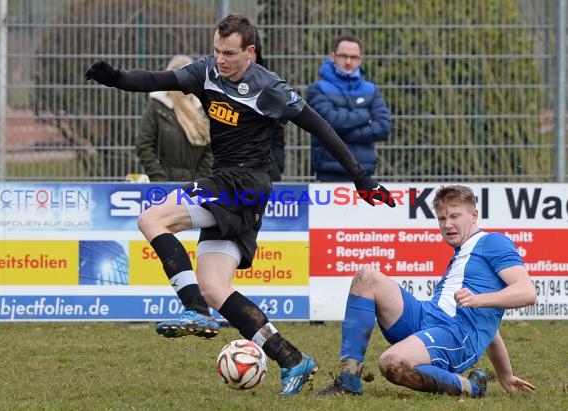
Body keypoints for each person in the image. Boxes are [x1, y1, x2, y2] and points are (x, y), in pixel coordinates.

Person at [85, 14, 395, 397]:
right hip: (233, 188)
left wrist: (361, 178)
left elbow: (321, 128)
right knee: (216, 288)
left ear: (250, 52)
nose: (220, 59)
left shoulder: (270, 88)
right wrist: (114, 77)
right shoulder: (206, 72)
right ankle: (293, 360)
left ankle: (195, 310)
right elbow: (154, 80)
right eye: (216, 50)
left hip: (242, 184)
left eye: (229, 53)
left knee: (151, 218)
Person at [318, 184, 537, 397]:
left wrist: (479, 300)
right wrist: (505, 374)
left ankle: (471, 387)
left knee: (391, 363)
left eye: (454, 216)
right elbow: (489, 327)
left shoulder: (493, 241)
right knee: (367, 278)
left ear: (474, 215)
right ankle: (349, 381)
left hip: (454, 335)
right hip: (427, 316)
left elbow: (527, 292)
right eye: (442, 218)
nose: (447, 224)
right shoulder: (462, 253)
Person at [307, 35, 391, 182]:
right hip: (328, 173)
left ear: (360, 59)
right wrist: (366, 117)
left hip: (364, 174)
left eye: (353, 57)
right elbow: (329, 123)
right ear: (333, 57)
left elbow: (383, 127)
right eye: (343, 56)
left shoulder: (371, 90)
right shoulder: (318, 89)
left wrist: (338, 133)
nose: (348, 62)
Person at [136, 55, 213, 182]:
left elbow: (212, 149)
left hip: (196, 186)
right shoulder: (158, 106)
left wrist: (200, 180)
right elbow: (144, 145)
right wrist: (159, 178)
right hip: (164, 184)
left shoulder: (203, 107)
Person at [252, 28, 285, 182]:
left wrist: (277, 163)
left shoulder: (269, 86)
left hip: (267, 175)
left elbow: (277, 133)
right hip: (229, 178)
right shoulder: (216, 86)